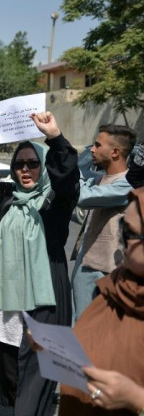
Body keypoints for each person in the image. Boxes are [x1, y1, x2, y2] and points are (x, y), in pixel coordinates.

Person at [0, 111, 79, 416]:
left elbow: (67, 174)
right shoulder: (8, 195)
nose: (24, 170)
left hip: (46, 293)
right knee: (14, 363)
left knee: (41, 366)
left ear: (43, 166)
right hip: (13, 297)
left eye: (32, 164)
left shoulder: (56, 199)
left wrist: (54, 138)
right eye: (19, 164)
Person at [55, 187, 144, 416]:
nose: (123, 244)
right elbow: (92, 342)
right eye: (126, 232)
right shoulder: (114, 288)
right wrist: (55, 348)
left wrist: (136, 399)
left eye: (135, 235)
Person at [71, 124, 135, 319]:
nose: (92, 149)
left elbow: (82, 196)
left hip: (111, 272)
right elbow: (76, 171)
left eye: (97, 145)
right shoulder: (99, 179)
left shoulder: (128, 184)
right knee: (80, 330)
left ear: (115, 152)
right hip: (85, 267)